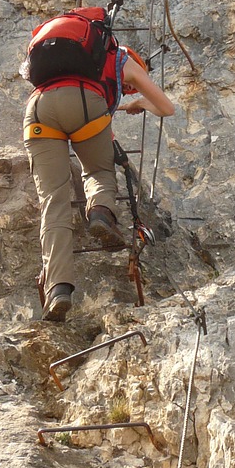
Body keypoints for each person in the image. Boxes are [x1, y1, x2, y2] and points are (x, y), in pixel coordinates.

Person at [23, 30, 175, 322]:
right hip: (86, 105)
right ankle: (101, 213)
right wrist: (141, 102)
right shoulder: (124, 61)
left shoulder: (62, 56)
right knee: (98, 170)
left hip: (39, 108)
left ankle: (58, 289)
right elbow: (167, 108)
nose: (129, 90)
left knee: (53, 201)